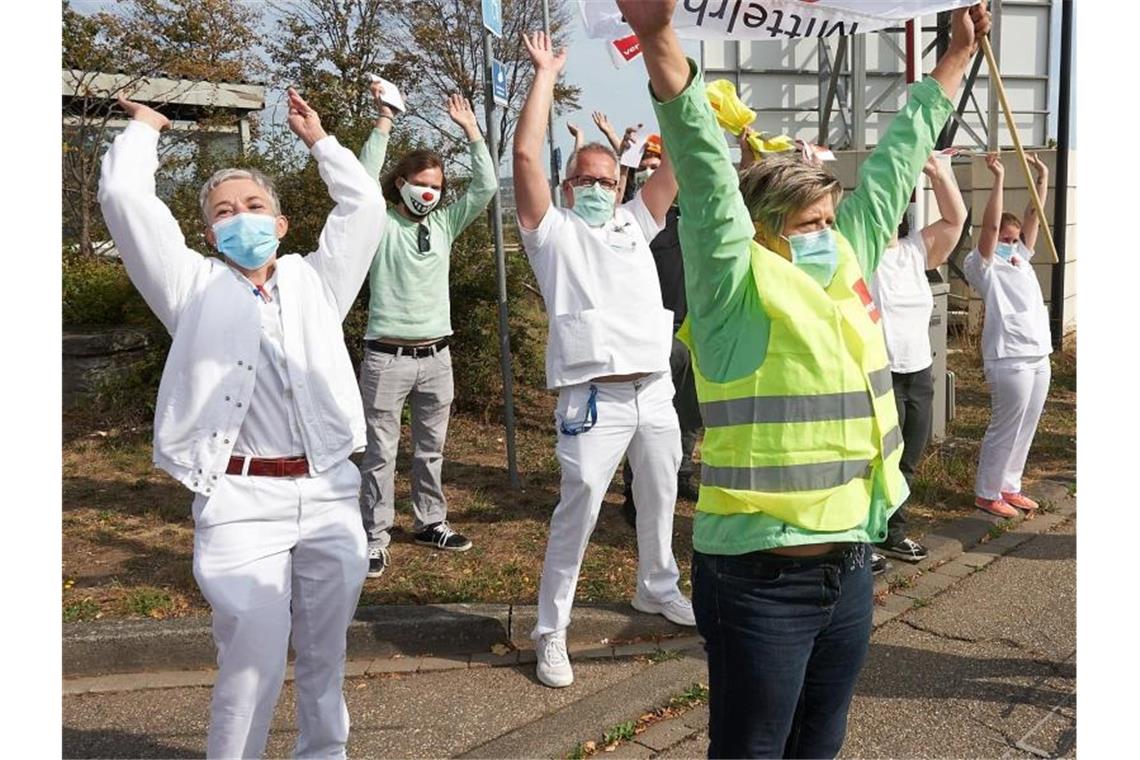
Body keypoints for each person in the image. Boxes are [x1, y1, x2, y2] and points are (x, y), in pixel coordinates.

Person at [617, 0, 990, 756]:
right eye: (809, 223)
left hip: (850, 569)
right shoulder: (733, 286)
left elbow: (894, 162)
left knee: (820, 745)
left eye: (830, 216)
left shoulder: (847, 259)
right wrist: (659, 38)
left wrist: (956, 57)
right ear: (762, 229)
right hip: (760, 582)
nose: (829, 231)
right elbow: (701, 167)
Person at [99, 88, 385, 758]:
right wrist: (145, 128)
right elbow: (125, 202)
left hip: (329, 492)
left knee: (325, 651)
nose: (240, 218)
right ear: (207, 234)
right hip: (237, 500)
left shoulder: (318, 282)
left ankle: (324, 752)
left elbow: (364, 206)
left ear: (283, 225)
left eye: (254, 207)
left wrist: (322, 142)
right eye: (225, 212)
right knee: (251, 661)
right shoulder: (191, 287)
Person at [513, 30, 696, 690]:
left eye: (605, 178)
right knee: (579, 513)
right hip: (593, 402)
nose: (595, 186)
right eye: (584, 179)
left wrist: (676, 79)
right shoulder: (553, 234)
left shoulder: (632, 222)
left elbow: (674, 163)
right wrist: (544, 75)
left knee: (661, 494)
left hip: (653, 393)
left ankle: (657, 586)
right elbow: (525, 157)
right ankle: (550, 631)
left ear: (621, 182)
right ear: (568, 186)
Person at [355, 84, 497, 577]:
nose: (429, 191)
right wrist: (385, 120)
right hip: (386, 357)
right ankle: (374, 536)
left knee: (431, 449)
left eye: (436, 184)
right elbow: (358, 181)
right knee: (379, 453)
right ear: (400, 183)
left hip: (437, 357)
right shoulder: (377, 222)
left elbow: (486, 188)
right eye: (421, 182)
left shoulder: (446, 224)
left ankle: (429, 520)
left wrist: (472, 132)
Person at [871, 154, 968, 561]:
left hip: (918, 373)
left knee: (909, 456)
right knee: (877, 460)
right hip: (880, 374)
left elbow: (956, 218)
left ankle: (892, 533)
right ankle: (863, 539)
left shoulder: (914, 251)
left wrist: (938, 173)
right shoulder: (861, 256)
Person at [617, 132, 704, 527]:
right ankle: (635, 491)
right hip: (657, 331)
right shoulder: (644, 222)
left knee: (689, 411)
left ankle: (683, 472)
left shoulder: (691, 221)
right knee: (653, 414)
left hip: (693, 329)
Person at [963, 151, 1052, 518]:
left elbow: (1035, 214)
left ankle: (1009, 485)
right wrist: (998, 179)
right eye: (1006, 238)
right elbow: (988, 230)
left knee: (1027, 424)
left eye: (1015, 239)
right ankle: (987, 492)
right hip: (1008, 355)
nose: (1011, 244)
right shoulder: (982, 264)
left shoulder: (1021, 258)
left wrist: (1041, 176)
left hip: (1037, 352)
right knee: (1006, 425)